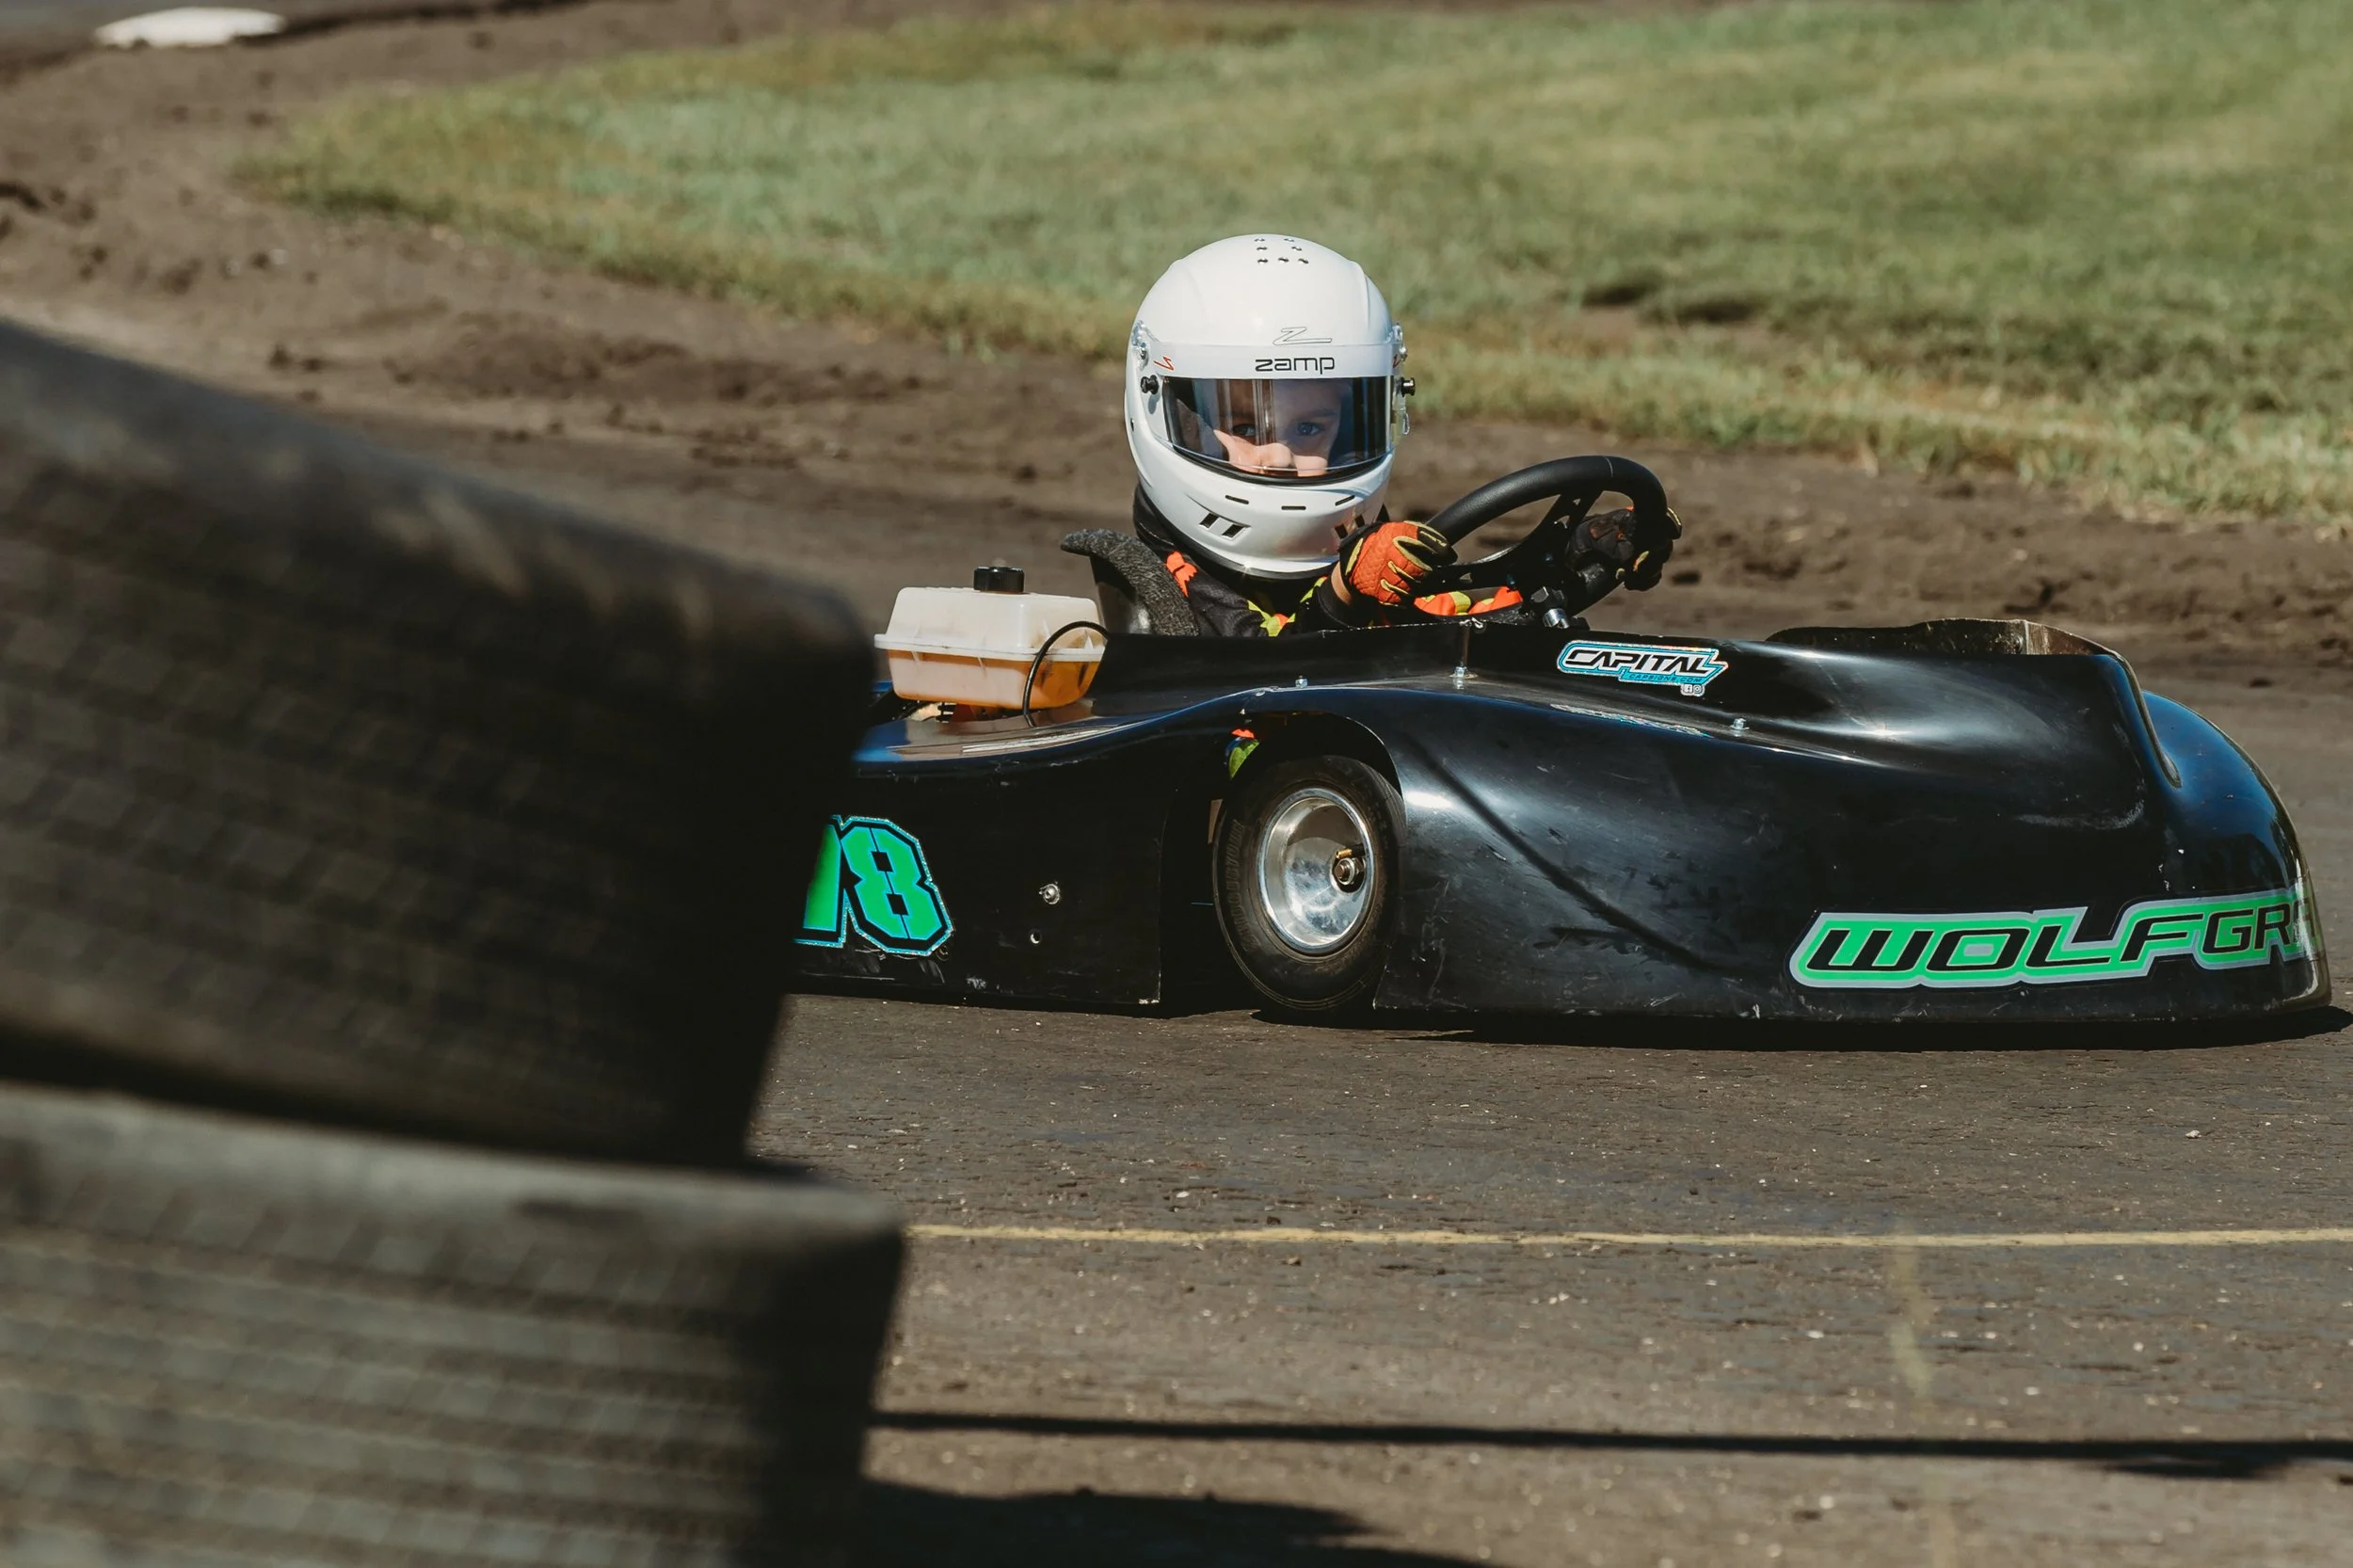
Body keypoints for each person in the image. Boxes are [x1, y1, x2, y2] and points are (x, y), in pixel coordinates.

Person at [1124, 233, 1674, 636]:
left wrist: (1575, 566)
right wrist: (1344, 594)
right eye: (1245, 427)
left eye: (1312, 427)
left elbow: (1452, 638)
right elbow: (1255, 687)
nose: (1282, 455)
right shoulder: (1172, 589)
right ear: (1162, 408)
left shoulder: (1373, 560)